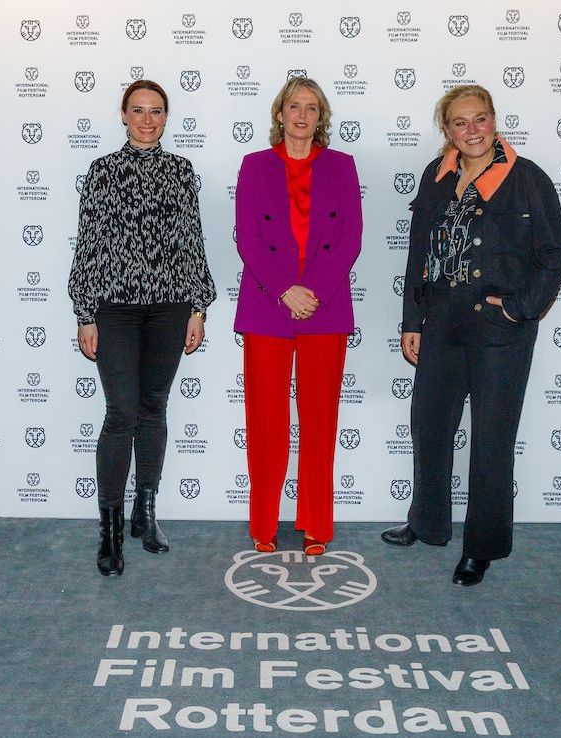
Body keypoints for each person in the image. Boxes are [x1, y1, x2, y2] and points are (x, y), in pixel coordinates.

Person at [381, 85, 561, 586]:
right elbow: (418, 254)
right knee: (430, 426)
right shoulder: (436, 175)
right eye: (460, 123)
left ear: (494, 120)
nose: (472, 130)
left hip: (498, 330)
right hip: (441, 321)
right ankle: (426, 522)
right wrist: (411, 321)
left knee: (491, 439)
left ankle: (481, 547)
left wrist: (518, 309)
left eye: (480, 119)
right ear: (447, 129)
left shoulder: (527, 179)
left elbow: (555, 256)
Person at [68, 79, 215, 577]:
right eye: (138, 110)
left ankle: (145, 516)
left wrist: (198, 306)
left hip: (170, 307)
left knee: (154, 408)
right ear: (124, 115)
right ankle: (108, 531)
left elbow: (193, 240)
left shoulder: (181, 171)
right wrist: (85, 312)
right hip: (115, 308)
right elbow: (87, 244)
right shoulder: (102, 172)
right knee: (121, 412)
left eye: (156, 111)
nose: (147, 119)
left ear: (166, 117)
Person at [234, 77, 361, 556]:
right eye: (294, 106)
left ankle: (316, 524)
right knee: (265, 418)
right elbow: (247, 238)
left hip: (325, 310)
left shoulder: (343, 167)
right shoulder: (254, 166)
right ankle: (263, 522)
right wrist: (285, 290)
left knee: (319, 419)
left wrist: (314, 293)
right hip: (268, 306)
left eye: (311, 107)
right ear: (280, 113)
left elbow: (350, 239)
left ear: (320, 116)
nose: (302, 115)